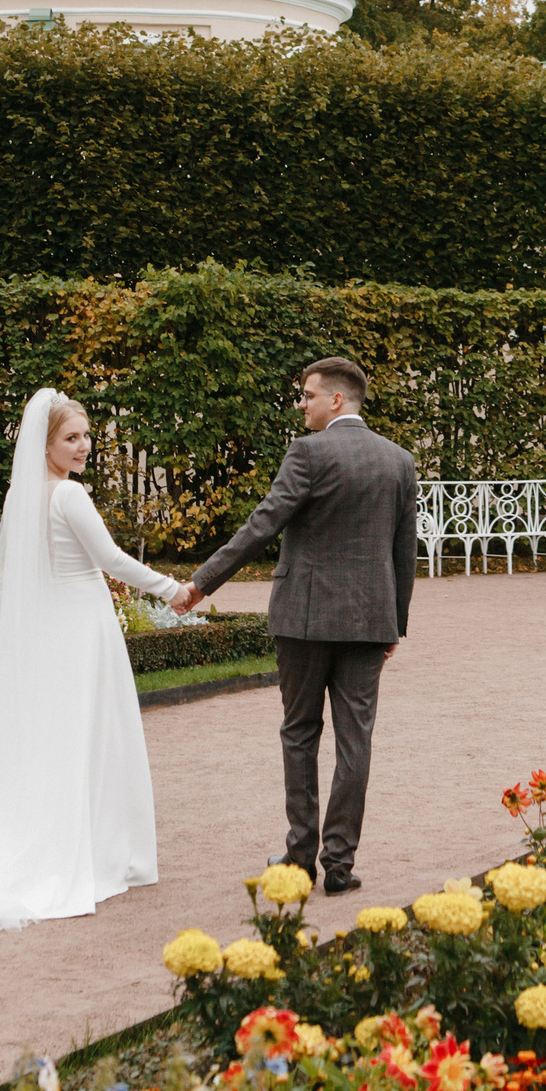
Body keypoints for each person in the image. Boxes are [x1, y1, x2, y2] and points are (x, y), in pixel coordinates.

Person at [0, 388, 188, 931]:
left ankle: (54, 841)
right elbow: (111, 560)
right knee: (90, 735)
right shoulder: (69, 496)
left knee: (52, 737)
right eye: (71, 438)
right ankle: (94, 853)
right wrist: (173, 590)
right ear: (45, 444)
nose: (83, 447)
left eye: (87, 436)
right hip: (81, 627)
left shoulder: (22, 496)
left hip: (49, 628)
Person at [174, 356, 418, 895]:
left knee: (300, 733)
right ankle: (340, 866)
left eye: (307, 395)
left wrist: (201, 583)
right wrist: (394, 625)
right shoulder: (399, 461)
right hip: (368, 622)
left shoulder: (308, 452)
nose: (301, 404)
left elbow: (263, 524)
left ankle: (299, 858)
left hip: (303, 621)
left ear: (336, 399)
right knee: (357, 741)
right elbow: (405, 553)